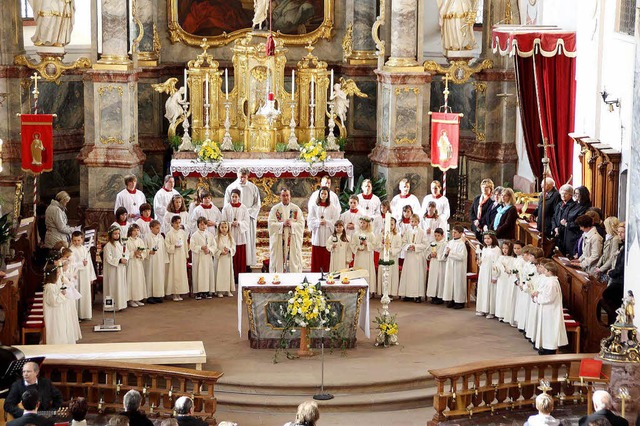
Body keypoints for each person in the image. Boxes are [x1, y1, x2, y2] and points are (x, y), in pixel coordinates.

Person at [224, 169, 262, 270]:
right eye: (240, 176)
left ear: (248, 177)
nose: (242, 179)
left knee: (248, 241)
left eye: (244, 177)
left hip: (247, 219)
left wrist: (246, 213)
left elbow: (257, 204)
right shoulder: (231, 187)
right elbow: (226, 204)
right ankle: (232, 264)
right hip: (233, 221)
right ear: (237, 175)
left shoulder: (253, 187)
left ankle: (247, 263)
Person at [533, 262, 568, 355]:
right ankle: (545, 347)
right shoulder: (550, 281)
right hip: (547, 310)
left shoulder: (552, 283)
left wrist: (536, 298)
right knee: (546, 330)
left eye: (545, 270)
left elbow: (548, 298)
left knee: (550, 330)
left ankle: (549, 349)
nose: (543, 271)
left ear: (550, 271)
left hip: (551, 311)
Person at [268, 188, 304, 273]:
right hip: (280, 238)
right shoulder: (275, 209)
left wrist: (292, 224)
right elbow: (271, 224)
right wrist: (282, 224)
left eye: (287, 195)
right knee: (278, 258)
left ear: (290, 196)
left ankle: (294, 277)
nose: (285, 197)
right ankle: (277, 277)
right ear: (280, 197)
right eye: (283, 195)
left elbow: (301, 223)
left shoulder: (296, 209)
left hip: (292, 237)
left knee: (294, 258)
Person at [221, 189, 250, 283]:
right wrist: (229, 224)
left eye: (236, 197)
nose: (234, 198)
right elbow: (223, 221)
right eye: (232, 196)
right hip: (229, 233)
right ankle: (231, 276)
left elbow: (247, 221)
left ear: (239, 197)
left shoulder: (243, 208)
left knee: (240, 255)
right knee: (230, 253)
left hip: (240, 235)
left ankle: (240, 276)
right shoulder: (226, 207)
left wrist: (239, 223)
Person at [308, 186, 339, 272]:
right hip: (317, 233)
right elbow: (310, 219)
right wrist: (318, 222)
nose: (323, 195)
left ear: (328, 195)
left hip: (327, 233)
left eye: (325, 194)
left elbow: (335, 220)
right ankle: (315, 272)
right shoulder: (314, 205)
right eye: (322, 193)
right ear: (319, 194)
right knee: (317, 255)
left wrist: (327, 222)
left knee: (326, 255)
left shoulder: (332, 206)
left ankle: (326, 272)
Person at [398, 214, 427, 302]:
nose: (413, 223)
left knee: (417, 276)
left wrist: (415, 247)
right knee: (408, 276)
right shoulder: (408, 232)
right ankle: (408, 295)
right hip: (409, 257)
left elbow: (425, 244)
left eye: (415, 222)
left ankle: (417, 295)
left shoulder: (422, 232)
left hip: (418, 257)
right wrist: (407, 247)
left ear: (418, 222)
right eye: (411, 221)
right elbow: (403, 243)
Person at [602, 223, 626, 325]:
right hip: (617, 278)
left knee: (607, 296)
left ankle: (614, 323)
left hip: (620, 281)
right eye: (618, 232)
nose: (620, 234)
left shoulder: (626, 248)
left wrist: (611, 272)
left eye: (622, 232)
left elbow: (622, 267)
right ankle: (613, 323)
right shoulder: (623, 245)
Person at [69, 231, 96, 321]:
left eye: (78, 240)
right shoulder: (71, 250)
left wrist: (91, 276)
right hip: (76, 275)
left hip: (85, 275)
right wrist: (81, 263)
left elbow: (90, 263)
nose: (76, 242)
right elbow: (70, 264)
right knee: (77, 294)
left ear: (82, 239)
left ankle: (84, 313)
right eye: (74, 240)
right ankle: (76, 315)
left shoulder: (84, 249)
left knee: (84, 293)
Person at [475, 232, 501, 318]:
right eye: (485, 238)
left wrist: (495, 276)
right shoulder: (484, 248)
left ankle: (491, 311)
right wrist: (479, 262)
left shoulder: (496, 249)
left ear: (493, 239)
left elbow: (497, 263)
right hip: (484, 272)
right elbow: (483, 259)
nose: (486, 240)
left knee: (490, 290)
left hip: (491, 272)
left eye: (488, 238)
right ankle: (483, 309)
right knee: (483, 289)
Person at [350, 217, 378, 295]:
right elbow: (352, 244)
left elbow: (374, 245)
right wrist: (357, 247)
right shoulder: (356, 233)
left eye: (364, 223)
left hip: (367, 255)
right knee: (358, 270)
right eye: (361, 222)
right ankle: (358, 289)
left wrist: (367, 244)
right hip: (359, 255)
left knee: (367, 270)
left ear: (368, 224)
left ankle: (368, 290)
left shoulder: (371, 234)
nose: (362, 224)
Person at [442, 224, 468, 309]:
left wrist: (450, 253)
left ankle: (459, 301)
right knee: (450, 283)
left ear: (461, 233)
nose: (453, 234)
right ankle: (451, 299)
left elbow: (462, 257)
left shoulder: (462, 244)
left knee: (458, 283)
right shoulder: (450, 242)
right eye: (453, 232)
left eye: (455, 233)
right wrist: (446, 254)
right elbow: (445, 253)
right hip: (450, 265)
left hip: (458, 267)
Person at [103, 226, 129, 311]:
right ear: (111, 235)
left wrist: (126, 258)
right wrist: (119, 260)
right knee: (113, 286)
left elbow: (126, 252)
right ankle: (110, 306)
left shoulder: (121, 244)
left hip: (121, 269)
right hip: (112, 270)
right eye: (115, 234)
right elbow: (108, 258)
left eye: (118, 233)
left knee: (120, 286)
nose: (117, 235)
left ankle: (120, 304)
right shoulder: (108, 246)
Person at [191, 217, 217, 300]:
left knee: (207, 274)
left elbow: (214, 245)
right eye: (201, 224)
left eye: (205, 224)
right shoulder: (194, 235)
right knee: (198, 274)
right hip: (199, 257)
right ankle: (198, 292)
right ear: (198, 225)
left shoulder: (210, 234)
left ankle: (207, 291)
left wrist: (209, 250)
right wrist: (200, 248)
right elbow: (192, 246)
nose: (203, 226)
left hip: (207, 257)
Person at [165, 215, 190, 301]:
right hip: (173, 257)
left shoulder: (183, 233)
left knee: (181, 275)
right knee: (174, 274)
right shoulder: (169, 234)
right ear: (172, 223)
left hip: (181, 256)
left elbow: (186, 245)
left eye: (179, 223)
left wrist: (186, 255)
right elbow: (167, 246)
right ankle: (174, 293)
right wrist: (174, 246)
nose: (178, 225)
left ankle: (179, 293)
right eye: (176, 223)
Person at [143, 220, 168, 304]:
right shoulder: (147, 237)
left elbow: (163, 249)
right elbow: (144, 249)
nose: (158, 230)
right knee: (150, 277)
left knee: (159, 277)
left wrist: (165, 259)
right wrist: (149, 252)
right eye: (157, 228)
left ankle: (158, 295)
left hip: (159, 260)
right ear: (151, 228)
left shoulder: (161, 237)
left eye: (159, 228)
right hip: (151, 260)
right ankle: (150, 296)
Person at [377, 217, 402, 297]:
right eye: (388, 224)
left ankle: (391, 292)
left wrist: (391, 249)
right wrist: (382, 244)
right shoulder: (381, 235)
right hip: (383, 256)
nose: (390, 226)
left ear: (395, 225)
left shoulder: (397, 236)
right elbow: (376, 246)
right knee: (383, 273)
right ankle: (383, 292)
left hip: (392, 257)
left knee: (392, 274)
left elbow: (399, 247)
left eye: (392, 224)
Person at [126, 224, 147, 308]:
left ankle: (137, 298)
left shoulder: (140, 240)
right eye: (134, 230)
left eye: (137, 230)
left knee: (138, 280)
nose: (136, 232)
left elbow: (144, 250)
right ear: (130, 231)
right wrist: (133, 253)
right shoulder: (127, 241)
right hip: (131, 263)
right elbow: (126, 252)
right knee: (132, 280)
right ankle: (131, 299)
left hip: (138, 262)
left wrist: (141, 254)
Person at [426, 228, 447, 304]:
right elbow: (427, 252)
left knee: (439, 280)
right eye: (435, 235)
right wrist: (430, 255)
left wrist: (437, 255)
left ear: (442, 235)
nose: (436, 237)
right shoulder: (432, 243)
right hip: (433, 264)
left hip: (441, 265)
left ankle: (439, 297)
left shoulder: (445, 244)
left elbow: (445, 255)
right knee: (433, 280)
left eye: (438, 235)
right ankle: (433, 296)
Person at [215, 222, 236, 297]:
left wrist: (229, 250)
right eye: (222, 227)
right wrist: (220, 252)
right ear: (219, 228)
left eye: (225, 227)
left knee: (228, 274)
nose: (224, 229)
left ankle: (227, 290)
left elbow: (233, 247)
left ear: (228, 228)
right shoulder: (217, 238)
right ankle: (219, 290)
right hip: (220, 259)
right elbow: (214, 248)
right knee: (220, 274)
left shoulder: (230, 238)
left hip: (227, 259)